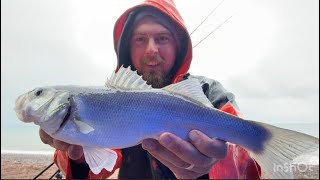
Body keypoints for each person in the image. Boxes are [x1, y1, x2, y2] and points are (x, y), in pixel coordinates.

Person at [39, 0, 261, 179]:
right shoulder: (113, 101)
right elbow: (104, 162)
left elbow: (247, 165)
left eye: (162, 38)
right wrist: (77, 157)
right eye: (140, 39)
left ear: (179, 45)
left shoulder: (210, 93)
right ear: (126, 47)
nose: (151, 50)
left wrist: (214, 165)